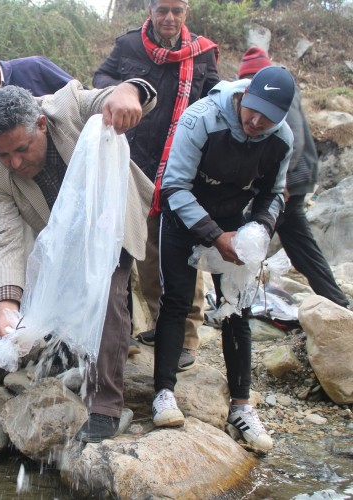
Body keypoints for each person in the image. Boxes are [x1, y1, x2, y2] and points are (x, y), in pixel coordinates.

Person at [0, 80, 158, 443]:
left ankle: (106, 406)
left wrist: (128, 92)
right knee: (18, 298)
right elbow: (6, 240)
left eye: (21, 149)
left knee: (108, 297)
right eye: (4, 155)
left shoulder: (67, 108)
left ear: (41, 125)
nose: (15, 163)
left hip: (108, 217)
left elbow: (112, 97)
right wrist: (6, 304)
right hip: (58, 232)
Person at [150, 66, 295, 452]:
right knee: (177, 302)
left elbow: (274, 194)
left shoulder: (281, 139)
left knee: (238, 310)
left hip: (236, 219)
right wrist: (215, 236)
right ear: (245, 95)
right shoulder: (202, 119)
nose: (256, 120)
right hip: (184, 216)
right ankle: (163, 393)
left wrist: (259, 230)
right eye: (253, 109)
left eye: (268, 116)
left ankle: (242, 406)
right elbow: (174, 186)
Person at [92, 0, 219, 369]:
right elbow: (100, 79)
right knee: (144, 248)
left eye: (176, 10)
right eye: (162, 9)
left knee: (183, 252)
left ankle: (187, 339)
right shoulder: (129, 46)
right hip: (134, 164)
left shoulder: (202, 54)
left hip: (181, 170)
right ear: (149, 10)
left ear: (187, 12)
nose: (169, 18)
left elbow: (214, 102)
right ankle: (161, 324)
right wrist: (124, 89)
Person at [238, 47, 350, 309]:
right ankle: (337, 300)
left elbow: (294, 139)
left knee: (251, 234)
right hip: (292, 180)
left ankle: (236, 301)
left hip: (291, 180)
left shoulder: (283, 94)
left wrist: (282, 182)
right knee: (300, 245)